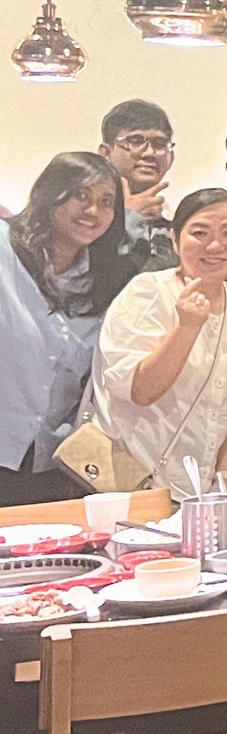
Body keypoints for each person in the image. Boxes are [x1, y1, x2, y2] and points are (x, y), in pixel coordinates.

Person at [87, 188, 227, 491]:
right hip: (130, 482)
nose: (215, 245)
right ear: (175, 239)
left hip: (199, 490)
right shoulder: (147, 292)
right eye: (200, 233)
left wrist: (222, 483)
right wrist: (187, 327)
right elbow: (140, 390)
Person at [1, 153, 138, 504]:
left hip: (52, 464)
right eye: (80, 195)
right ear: (51, 194)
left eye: (106, 202)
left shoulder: (107, 285)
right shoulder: (4, 248)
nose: (93, 210)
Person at [100, 99, 178, 270]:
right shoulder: (87, 215)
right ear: (105, 153)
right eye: (135, 141)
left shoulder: (179, 223)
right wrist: (127, 218)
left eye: (159, 144)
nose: (149, 153)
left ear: (171, 157)